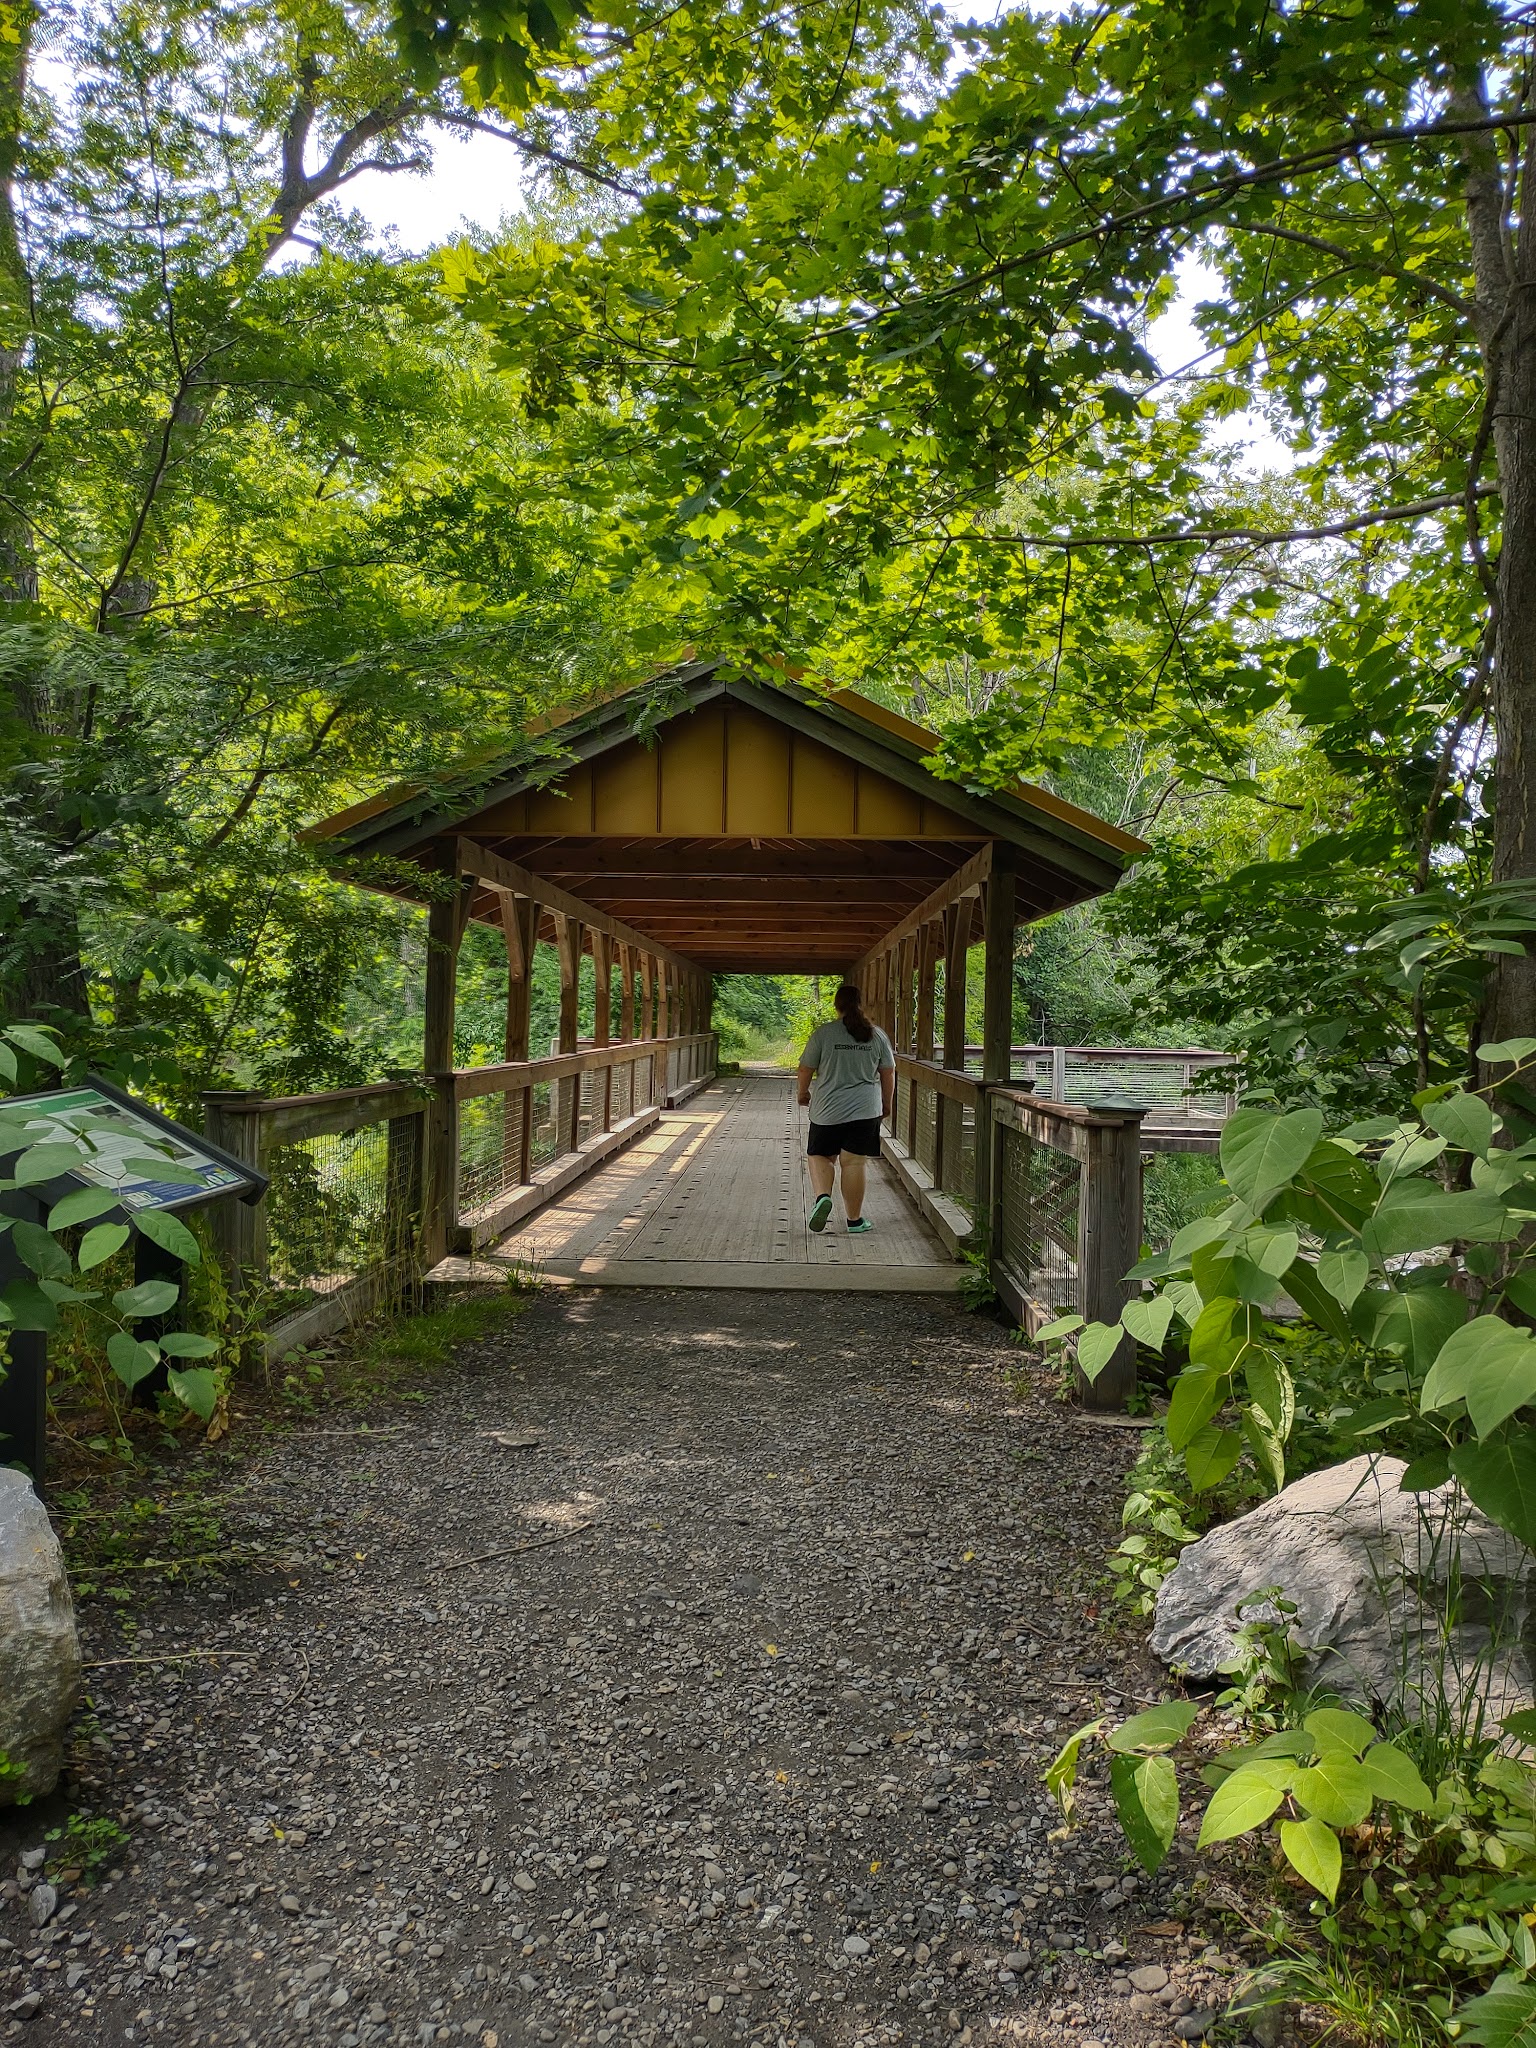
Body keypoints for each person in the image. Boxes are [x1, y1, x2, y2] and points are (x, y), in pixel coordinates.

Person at [796, 984, 896, 1234]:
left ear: (836, 1005)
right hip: (865, 1109)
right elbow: (888, 1071)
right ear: (862, 1004)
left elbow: (805, 1068)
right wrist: (886, 1102)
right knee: (853, 1163)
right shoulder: (877, 1035)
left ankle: (822, 1198)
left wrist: (802, 1092)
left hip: (827, 1109)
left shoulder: (824, 1034)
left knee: (820, 1155)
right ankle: (854, 1221)